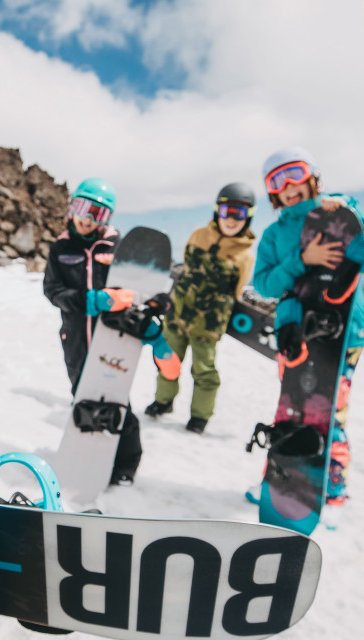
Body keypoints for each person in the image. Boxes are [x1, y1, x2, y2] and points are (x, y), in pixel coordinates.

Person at [251, 146, 364, 510]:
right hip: (295, 333)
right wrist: (301, 260)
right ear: (272, 192)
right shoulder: (275, 235)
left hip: (342, 333)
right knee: (292, 407)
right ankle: (279, 479)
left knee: (330, 411)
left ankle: (332, 483)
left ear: (313, 177)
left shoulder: (337, 216)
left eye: (295, 174)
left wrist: (350, 212)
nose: (289, 185)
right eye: (278, 180)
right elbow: (264, 285)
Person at [42, 178, 176, 486]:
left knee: (117, 401)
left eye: (97, 214)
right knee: (83, 395)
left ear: (108, 218)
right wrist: (89, 300)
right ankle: (89, 455)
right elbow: (52, 291)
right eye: (82, 208)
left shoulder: (118, 247)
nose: (86, 219)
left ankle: (126, 462)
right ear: (71, 207)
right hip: (76, 338)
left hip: (114, 340)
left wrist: (157, 301)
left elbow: (140, 287)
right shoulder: (61, 248)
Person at [145, 182, 257, 434]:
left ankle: (200, 415)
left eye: (238, 213)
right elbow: (184, 267)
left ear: (248, 217)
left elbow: (238, 290)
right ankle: (163, 402)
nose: (231, 219)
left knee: (204, 370)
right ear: (217, 210)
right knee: (167, 360)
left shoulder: (246, 255)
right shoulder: (198, 235)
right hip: (178, 314)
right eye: (227, 210)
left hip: (208, 324)